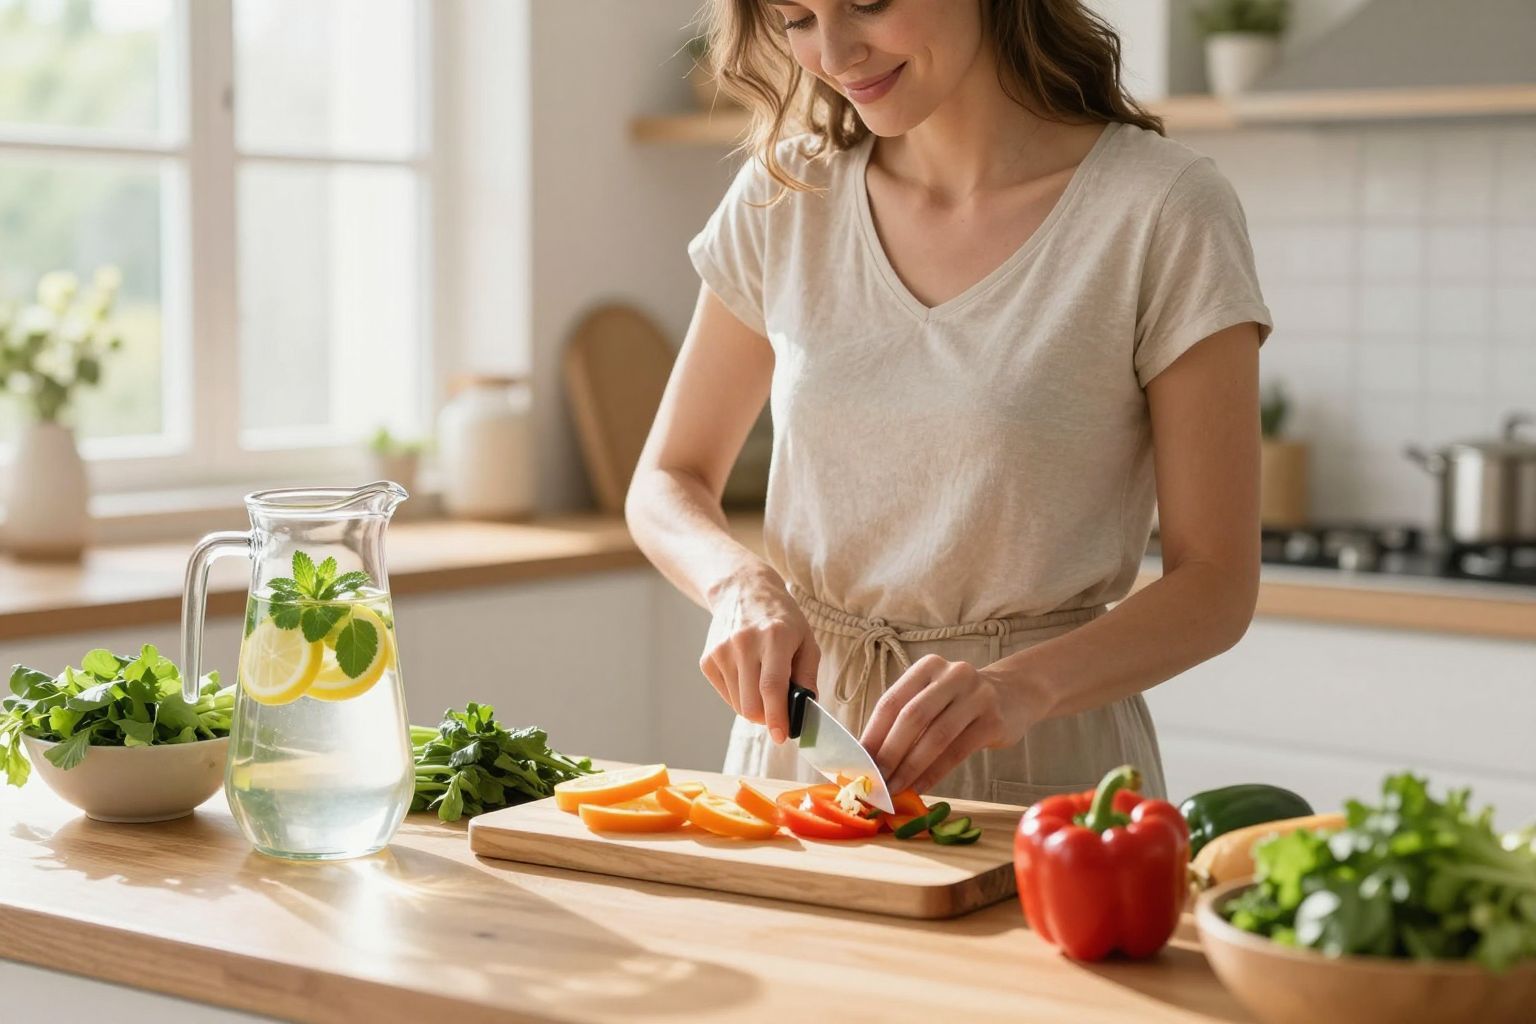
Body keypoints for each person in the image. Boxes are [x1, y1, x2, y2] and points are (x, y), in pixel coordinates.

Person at [626, 0, 1272, 804]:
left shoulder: (1162, 209)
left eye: (867, 3)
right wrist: (737, 586)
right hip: (801, 756)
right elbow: (666, 480)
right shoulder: (787, 194)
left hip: (1045, 767)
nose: (832, 53)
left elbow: (1216, 585)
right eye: (796, 17)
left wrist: (1018, 689)